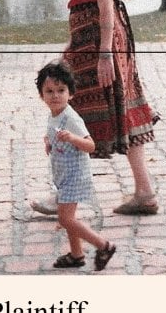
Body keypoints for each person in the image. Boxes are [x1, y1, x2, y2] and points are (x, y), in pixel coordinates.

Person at [31, 0, 160, 217]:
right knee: (119, 108)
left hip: (99, 40)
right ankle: (145, 191)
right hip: (91, 38)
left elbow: (105, 5)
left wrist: (104, 54)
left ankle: (64, 195)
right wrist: (73, 44)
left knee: (73, 114)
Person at [36, 62, 117, 271]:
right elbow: (54, 133)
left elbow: (90, 146)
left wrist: (72, 138)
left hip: (75, 176)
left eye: (61, 90)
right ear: (41, 95)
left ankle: (103, 245)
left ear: (70, 94)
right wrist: (49, 141)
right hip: (63, 175)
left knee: (65, 219)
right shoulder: (54, 113)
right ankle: (76, 254)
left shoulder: (71, 118)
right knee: (69, 218)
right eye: (49, 91)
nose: (55, 96)